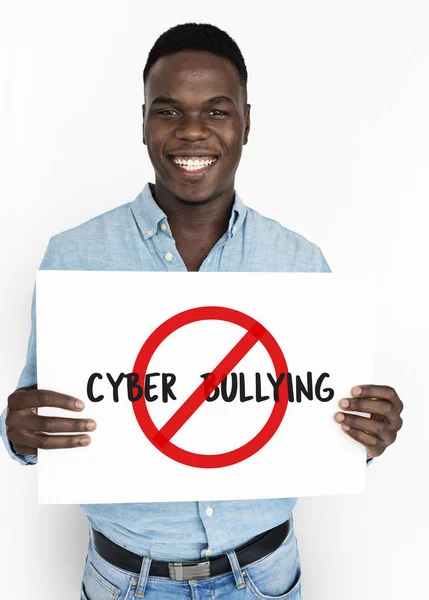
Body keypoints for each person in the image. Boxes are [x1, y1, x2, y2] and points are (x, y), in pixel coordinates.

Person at [0, 22, 403, 600]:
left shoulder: (298, 263)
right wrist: (19, 434)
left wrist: (363, 435)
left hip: (264, 577)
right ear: (143, 123)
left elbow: (315, 422)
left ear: (245, 124)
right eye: (169, 112)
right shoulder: (73, 256)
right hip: (124, 583)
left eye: (216, 112)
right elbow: (34, 419)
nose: (192, 132)